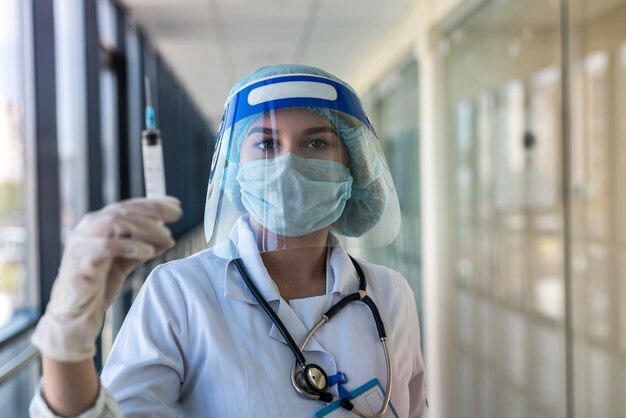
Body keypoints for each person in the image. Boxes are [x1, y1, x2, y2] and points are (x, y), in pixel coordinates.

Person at [30, 64, 427, 418]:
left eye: (316, 143)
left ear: (352, 166)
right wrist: (66, 345)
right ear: (236, 167)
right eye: (267, 144)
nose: (288, 163)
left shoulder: (390, 295)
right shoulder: (179, 294)